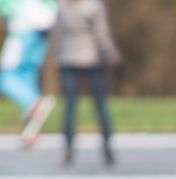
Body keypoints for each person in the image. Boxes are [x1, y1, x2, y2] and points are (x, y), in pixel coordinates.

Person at [54, 0, 121, 166]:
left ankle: (68, 147)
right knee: (100, 107)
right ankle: (106, 144)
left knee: (69, 108)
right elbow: (102, 34)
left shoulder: (61, 6)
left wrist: (58, 58)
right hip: (92, 60)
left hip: (67, 60)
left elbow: (56, 35)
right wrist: (113, 58)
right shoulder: (93, 6)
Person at [0, 0, 57, 148]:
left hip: (22, 29)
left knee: (6, 77)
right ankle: (31, 131)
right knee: (27, 77)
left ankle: (32, 103)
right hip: (42, 31)